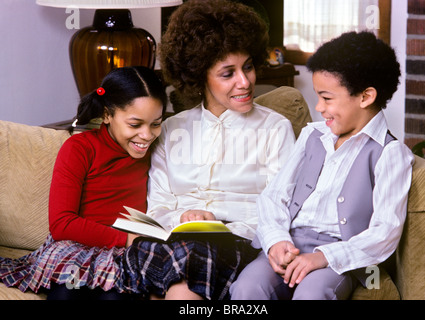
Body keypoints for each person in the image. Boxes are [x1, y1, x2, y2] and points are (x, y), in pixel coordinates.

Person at [117, 0, 296, 300]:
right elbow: (157, 206)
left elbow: (281, 209)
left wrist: (215, 217)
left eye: (248, 66)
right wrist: (183, 218)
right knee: (163, 261)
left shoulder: (275, 129)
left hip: (236, 243)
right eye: (228, 73)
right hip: (174, 242)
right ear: (200, 77)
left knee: (182, 279)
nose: (245, 81)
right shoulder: (172, 129)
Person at [230, 31, 415, 300]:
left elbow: (385, 232)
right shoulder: (312, 135)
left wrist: (323, 257)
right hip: (290, 243)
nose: (319, 107)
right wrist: (276, 240)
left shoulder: (390, 154)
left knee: (312, 295)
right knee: (247, 289)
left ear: (365, 97)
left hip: (337, 256)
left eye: (327, 98)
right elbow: (274, 196)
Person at [0, 66, 167, 300]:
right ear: (108, 115)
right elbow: (62, 223)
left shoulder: (160, 151)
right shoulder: (79, 148)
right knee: (66, 293)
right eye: (135, 124)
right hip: (76, 246)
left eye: (156, 123)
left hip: (124, 254)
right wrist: (127, 239)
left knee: (114, 297)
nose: (147, 135)